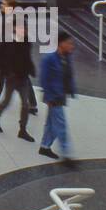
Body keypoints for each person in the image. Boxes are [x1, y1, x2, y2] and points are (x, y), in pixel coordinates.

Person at [38, 33, 78, 168]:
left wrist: (71, 89)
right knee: (60, 124)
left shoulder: (66, 57)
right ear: (61, 43)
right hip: (53, 96)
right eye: (68, 43)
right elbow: (44, 79)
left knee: (51, 123)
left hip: (60, 94)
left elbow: (69, 74)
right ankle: (66, 154)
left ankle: (44, 146)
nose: (71, 46)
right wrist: (48, 97)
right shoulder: (48, 58)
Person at [0, 31, 36, 142]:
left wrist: (31, 69)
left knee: (25, 104)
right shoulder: (7, 41)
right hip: (12, 78)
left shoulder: (26, 41)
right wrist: (7, 72)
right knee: (7, 101)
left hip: (23, 78)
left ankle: (22, 129)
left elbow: (28, 57)